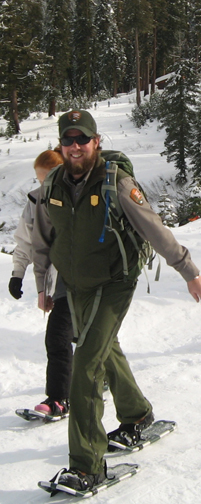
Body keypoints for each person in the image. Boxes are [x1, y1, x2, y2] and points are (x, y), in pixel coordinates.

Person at [32, 110, 201, 492]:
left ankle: (87, 465)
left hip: (114, 281)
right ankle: (137, 414)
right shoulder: (54, 185)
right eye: (68, 140)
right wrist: (44, 285)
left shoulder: (116, 181)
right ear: (60, 147)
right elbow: (44, 238)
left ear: (96, 142)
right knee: (104, 348)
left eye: (83, 139)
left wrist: (188, 270)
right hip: (75, 283)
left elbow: (152, 226)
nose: (75, 147)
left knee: (86, 365)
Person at [9, 149, 73, 418]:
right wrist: (17, 274)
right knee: (61, 336)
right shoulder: (35, 202)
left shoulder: (75, 197)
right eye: (38, 179)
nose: (42, 185)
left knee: (79, 336)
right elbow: (26, 242)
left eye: (47, 178)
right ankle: (59, 396)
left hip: (87, 278)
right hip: (60, 282)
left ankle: (63, 396)